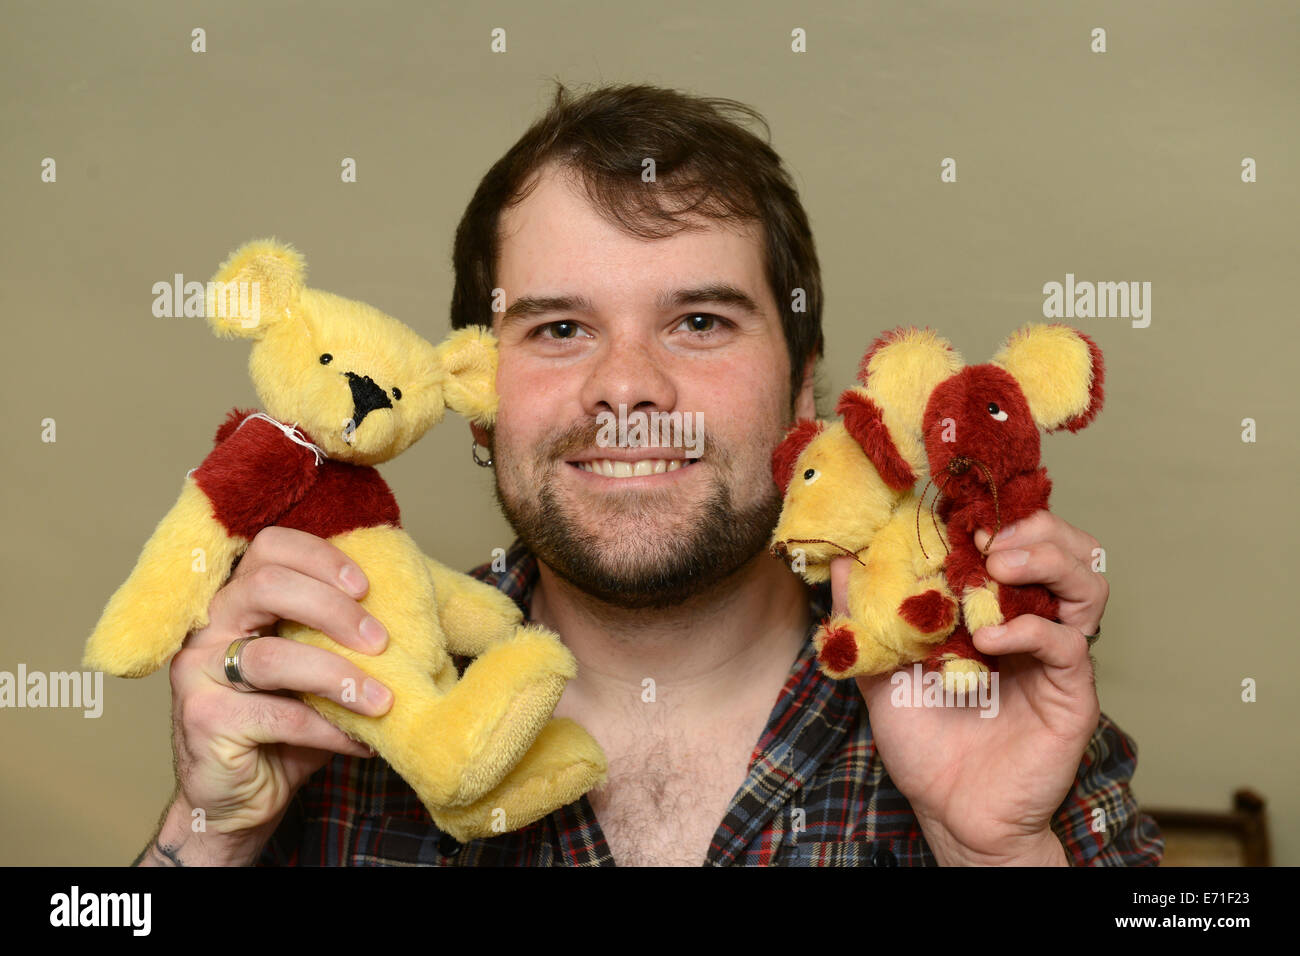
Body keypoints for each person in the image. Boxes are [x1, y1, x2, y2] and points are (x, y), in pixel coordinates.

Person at [133, 83, 1163, 867]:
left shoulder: (980, 688)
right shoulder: (337, 695)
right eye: (559, 326)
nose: (626, 385)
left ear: (805, 395)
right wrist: (207, 836)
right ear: (475, 396)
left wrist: (992, 849)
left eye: (700, 320)